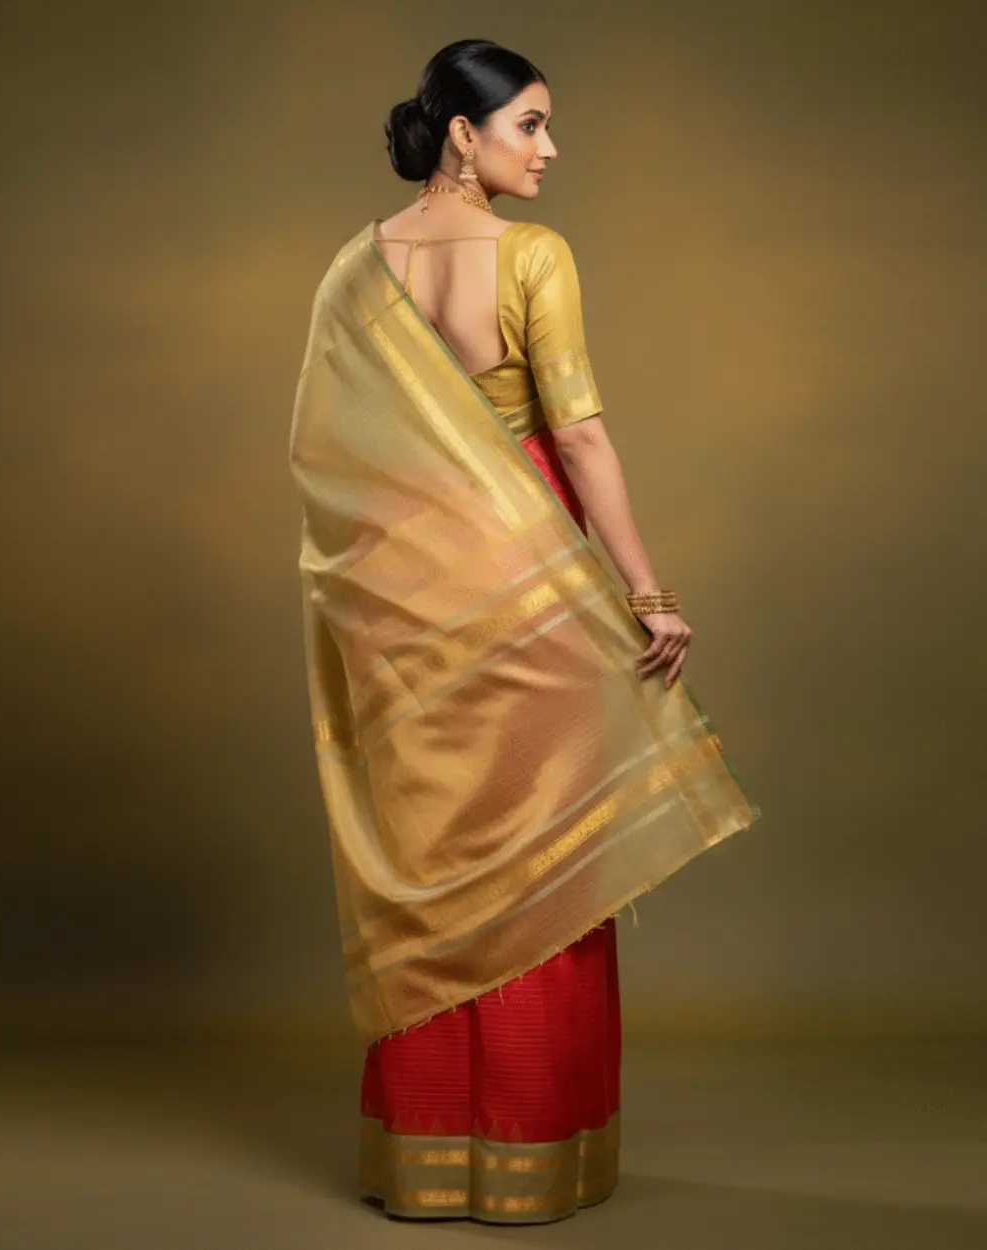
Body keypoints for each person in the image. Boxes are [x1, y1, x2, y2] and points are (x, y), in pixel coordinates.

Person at [289, 38, 759, 1226]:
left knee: (436, 852)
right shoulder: (531, 256)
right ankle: (528, 1152)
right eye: (530, 125)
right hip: (527, 579)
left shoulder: (356, 268)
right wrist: (648, 593)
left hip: (404, 598)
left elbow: (331, 461)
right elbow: (580, 435)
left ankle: (424, 1156)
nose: (550, 149)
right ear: (464, 131)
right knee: (545, 852)